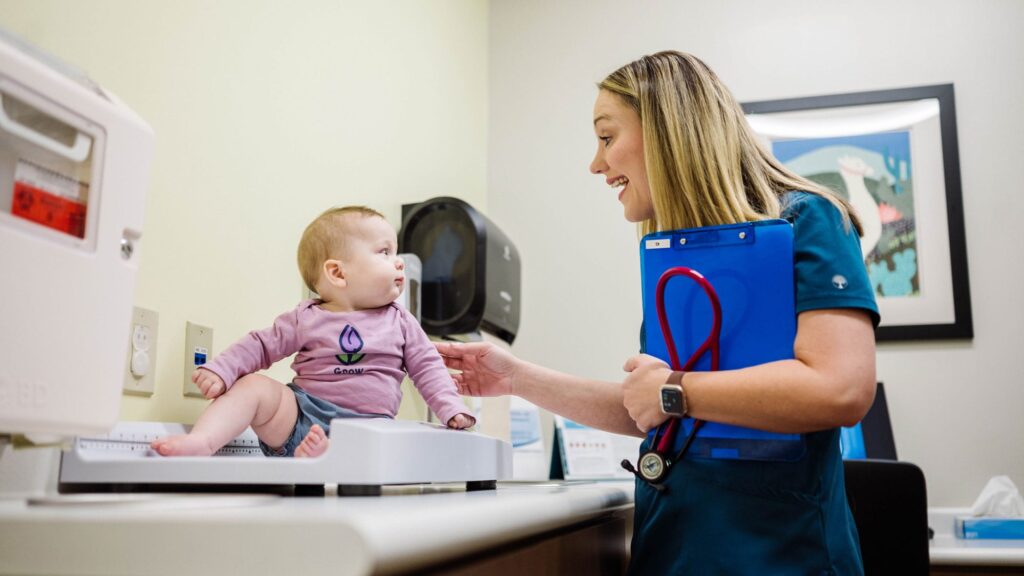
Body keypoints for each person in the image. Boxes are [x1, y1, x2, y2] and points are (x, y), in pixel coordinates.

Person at [435, 51, 878, 575]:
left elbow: (840, 388)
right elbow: (660, 412)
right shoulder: (675, 258)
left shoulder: (807, 219)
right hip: (673, 552)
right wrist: (513, 376)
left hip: (779, 555)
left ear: (669, 131)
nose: (596, 164)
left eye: (606, 138)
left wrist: (674, 390)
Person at [153, 206, 475, 458]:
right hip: (300, 416)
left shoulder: (400, 321)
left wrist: (451, 408)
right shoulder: (306, 318)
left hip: (368, 430)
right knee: (253, 385)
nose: (399, 262)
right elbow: (261, 345)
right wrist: (223, 369)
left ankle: (326, 456)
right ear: (337, 272)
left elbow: (428, 367)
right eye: (384, 252)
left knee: (383, 446)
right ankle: (203, 441)